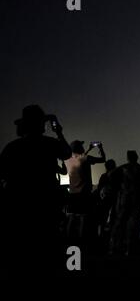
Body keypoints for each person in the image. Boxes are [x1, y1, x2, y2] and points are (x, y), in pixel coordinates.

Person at [0, 105, 72, 276]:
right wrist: (59, 131)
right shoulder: (49, 144)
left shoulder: (12, 147)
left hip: (18, 206)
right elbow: (66, 153)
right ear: (41, 125)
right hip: (45, 206)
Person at [109, 151, 140, 256]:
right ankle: (129, 248)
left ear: (128, 158)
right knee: (132, 225)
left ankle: (115, 247)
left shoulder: (123, 168)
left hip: (125, 199)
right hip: (136, 200)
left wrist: (120, 187)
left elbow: (110, 175)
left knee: (120, 224)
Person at [65, 140, 106, 241]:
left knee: (71, 217)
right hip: (83, 193)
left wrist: (89, 149)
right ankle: (81, 240)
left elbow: (80, 158)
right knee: (83, 217)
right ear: (79, 148)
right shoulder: (86, 158)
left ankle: (67, 239)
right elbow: (103, 159)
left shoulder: (69, 160)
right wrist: (100, 148)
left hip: (72, 193)